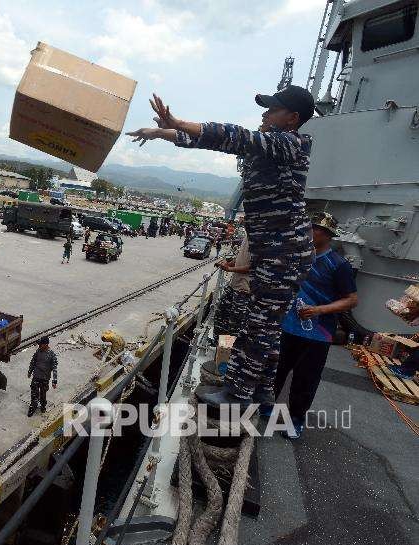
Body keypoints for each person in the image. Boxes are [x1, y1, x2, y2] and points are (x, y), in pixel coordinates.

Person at [128, 87, 315, 408]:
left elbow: (237, 136)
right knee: (268, 323)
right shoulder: (271, 147)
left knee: (259, 324)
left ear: (292, 119)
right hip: (277, 249)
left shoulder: (291, 144)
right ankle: (263, 390)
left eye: (273, 109)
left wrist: (178, 121)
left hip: (285, 249)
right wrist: (162, 132)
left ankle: (237, 394)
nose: (264, 114)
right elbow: (216, 140)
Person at [268, 213, 357, 438]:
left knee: (305, 378)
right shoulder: (300, 256)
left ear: (326, 235)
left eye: (314, 228)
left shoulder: (339, 265)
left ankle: (295, 420)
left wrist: (319, 310)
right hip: (289, 326)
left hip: (318, 333)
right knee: (276, 370)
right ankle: (267, 406)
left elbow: (351, 299)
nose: (308, 231)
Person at [213, 235, 251, 342]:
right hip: (233, 285)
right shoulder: (248, 236)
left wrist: (230, 269)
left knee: (235, 325)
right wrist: (228, 263)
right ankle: (221, 348)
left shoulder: (260, 238)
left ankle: (227, 354)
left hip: (244, 290)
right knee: (221, 316)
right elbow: (241, 258)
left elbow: (254, 266)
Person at [27, 337, 58, 417]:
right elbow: (33, 362)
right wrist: (30, 371)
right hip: (36, 376)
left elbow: (54, 368)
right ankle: (32, 407)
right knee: (34, 393)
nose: (39, 346)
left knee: (43, 394)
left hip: (44, 378)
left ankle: (43, 406)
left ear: (46, 344)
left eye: (41, 344)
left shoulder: (52, 355)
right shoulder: (38, 351)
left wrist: (54, 381)